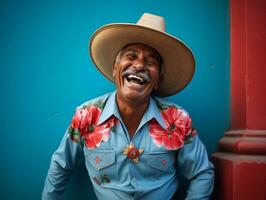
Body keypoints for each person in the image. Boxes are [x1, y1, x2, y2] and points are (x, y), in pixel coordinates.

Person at [42, 13, 214, 200]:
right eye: (131, 56)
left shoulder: (177, 119)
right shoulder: (87, 115)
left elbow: (202, 173)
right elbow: (60, 166)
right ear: (115, 68)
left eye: (150, 62)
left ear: (158, 81)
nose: (139, 65)